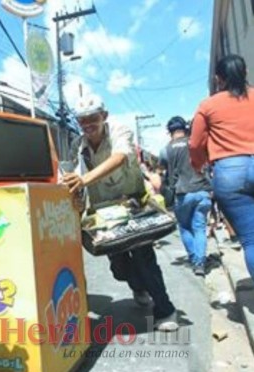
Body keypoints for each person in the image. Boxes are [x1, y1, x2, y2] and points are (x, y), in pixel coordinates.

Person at [62, 95, 178, 332]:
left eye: (92, 118)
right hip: (103, 215)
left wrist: (83, 180)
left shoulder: (119, 130)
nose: (87, 125)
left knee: (145, 258)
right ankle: (140, 286)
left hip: (133, 204)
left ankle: (165, 310)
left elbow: (120, 157)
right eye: (82, 120)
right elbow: (73, 179)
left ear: (104, 116)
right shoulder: (78, 145)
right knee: (119, 268)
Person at [190, 54, 254, 280]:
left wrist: (199, 165)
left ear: (219, 79)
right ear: (245, 73)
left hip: (230, 171)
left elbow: (196, 144)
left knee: (250, 238)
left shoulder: (208, 105)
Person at [160, 116, 212, 276]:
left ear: (170, 132)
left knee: (184, 227)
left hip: (182, 194)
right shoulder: (194, 143)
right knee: (199, 227)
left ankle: (194, 258)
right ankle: (200, 262)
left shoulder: (165, 150)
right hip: (203, 190)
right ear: (186, 128)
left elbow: (163, 169)